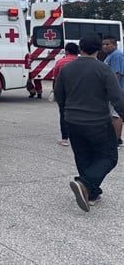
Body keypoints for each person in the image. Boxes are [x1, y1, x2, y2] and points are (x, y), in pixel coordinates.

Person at [54, 34, 124, 212]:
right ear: (98, 50)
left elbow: (59, 95)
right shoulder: (103, 69)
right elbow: (117, 97)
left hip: (72, 121)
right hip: (98, 122)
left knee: (84, 155)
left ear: (80, 48)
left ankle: (92, 194)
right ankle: (84, 183)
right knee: (109, 157)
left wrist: (67, 111)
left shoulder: (66, 69)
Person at [52, 42, 80, 146]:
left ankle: (65, 138)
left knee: (63, 114)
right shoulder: (81, 62)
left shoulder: (60, 62)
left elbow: (55, 78)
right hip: (78, 92)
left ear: (67, 51)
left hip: (64, 92)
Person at [102, 35, 124, 148]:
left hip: (117, 90)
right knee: (112, 115)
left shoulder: (116, 55)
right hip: (112, 91)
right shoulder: (110, 55)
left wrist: (111, 90)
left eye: (107, 44)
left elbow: (117, 75)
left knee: (116, 115)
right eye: (103, 44)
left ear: (114, 45)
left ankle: (117, 140)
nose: (104, 46)